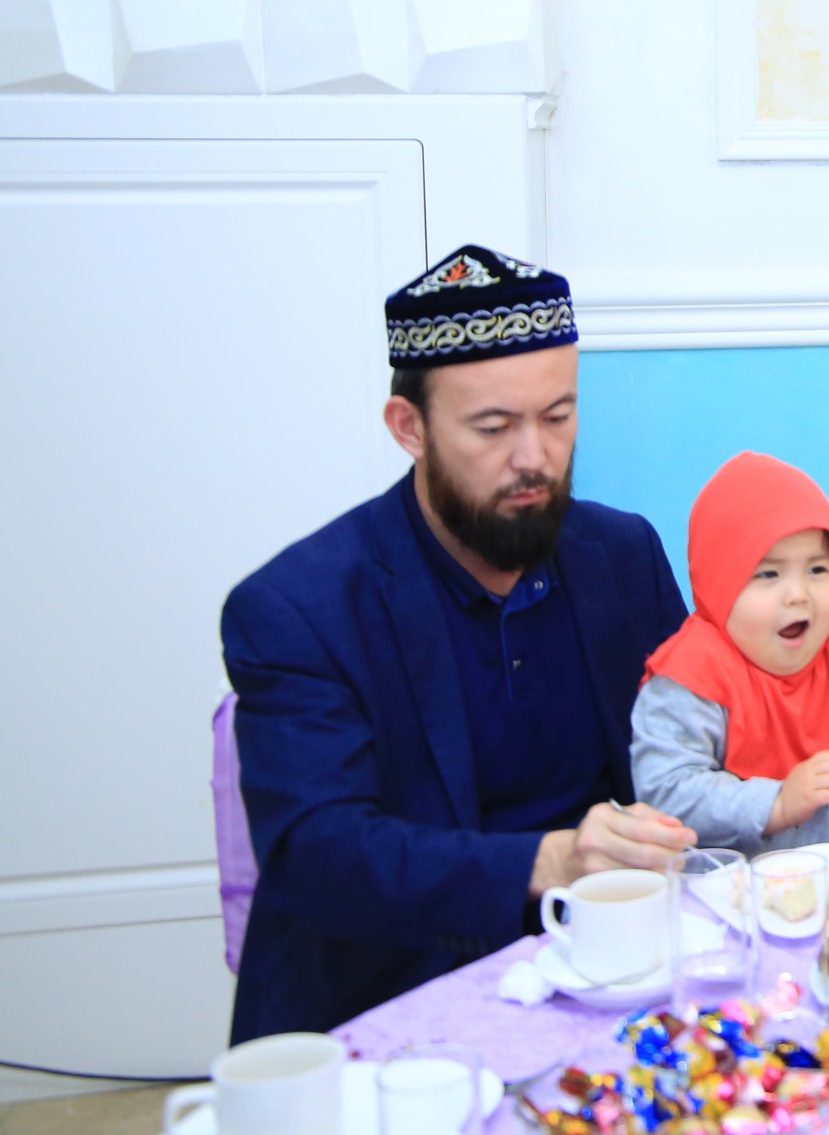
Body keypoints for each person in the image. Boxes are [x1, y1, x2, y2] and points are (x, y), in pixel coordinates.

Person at [221, 246, 697, 1039]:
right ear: (410, 428)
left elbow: (696, 743)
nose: (534, 458)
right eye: (493, 427)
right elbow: (317, 855)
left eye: (558, 417)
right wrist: (549, 862)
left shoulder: (621, 555)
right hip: (397, 995)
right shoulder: (299, 608)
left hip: (609, 970)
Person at [631, 452, 829, 849]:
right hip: (708, 882)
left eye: (817, 569)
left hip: (807, 880)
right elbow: (665, 790)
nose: (799, 594)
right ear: (719, 585)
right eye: (769, 574)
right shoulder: (690, 673)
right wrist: (776, 803)